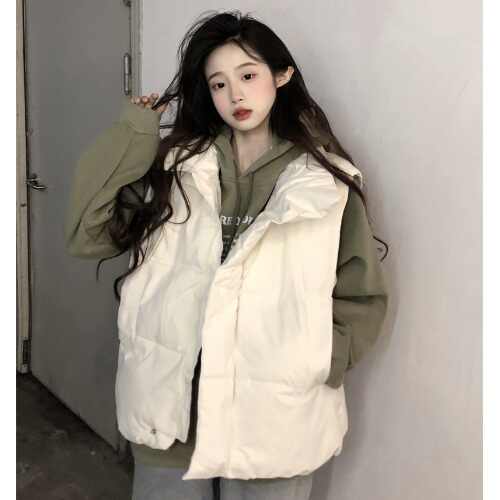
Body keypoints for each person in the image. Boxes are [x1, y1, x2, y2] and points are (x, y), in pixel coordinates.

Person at [64, 9, 389, 500]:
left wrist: (315, 358)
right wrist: (134, 132)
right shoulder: (175, 167)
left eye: (248, 75)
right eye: (218, 84)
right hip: (172, 411)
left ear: (282, 75)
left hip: (272, 417)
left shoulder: (325, 182)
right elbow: (87, 234)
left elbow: (361, 295)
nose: (235, 95)